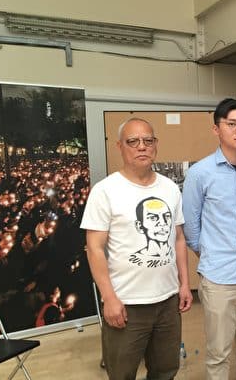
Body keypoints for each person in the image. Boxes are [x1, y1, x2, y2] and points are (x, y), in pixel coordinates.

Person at [81, 118, 192, 380]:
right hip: (126, 303)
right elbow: (94, 248)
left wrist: (185, 284)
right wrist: (109, 298)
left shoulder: (169, 188)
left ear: (155, 144)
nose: (142, 146)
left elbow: (178, 238)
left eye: (148, 141)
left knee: (165, 370)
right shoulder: (105, 191)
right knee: (122, 373)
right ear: (120, 146)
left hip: (167, 301)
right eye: (133, 141)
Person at [182, 98, 236, 380]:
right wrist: (211, 254)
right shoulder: (199, 173)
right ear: (216, 129)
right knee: (219, 352)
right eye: (232, 124)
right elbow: (191, 228)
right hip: (219, 276)